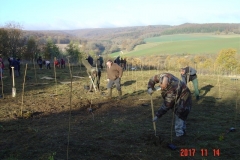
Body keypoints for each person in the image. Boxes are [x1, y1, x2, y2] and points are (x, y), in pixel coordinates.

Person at [147, 73, 192, 143]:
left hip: (184, 98)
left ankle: (180, 135)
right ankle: (182, 132)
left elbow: (167, 104)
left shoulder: (173, 88)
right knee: (181, 115)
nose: (161, 88)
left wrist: (157, 115)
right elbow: (153, 79)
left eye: (163, 88)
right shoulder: (163, 76)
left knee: (180, 114)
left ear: (168, 84)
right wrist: (150, 87)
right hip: (180, 93)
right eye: (161, 86)